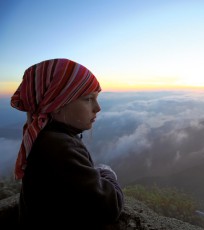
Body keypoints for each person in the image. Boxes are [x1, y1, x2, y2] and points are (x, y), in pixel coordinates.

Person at [10, 58, 124, 229]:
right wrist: (107, 174)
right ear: (56, 105)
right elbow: (109, 206)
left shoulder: (43, 137)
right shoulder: (60, 147)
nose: (98, 108)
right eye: (88, 99)